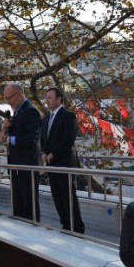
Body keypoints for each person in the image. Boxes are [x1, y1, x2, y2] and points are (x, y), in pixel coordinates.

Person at [40, 87, 85, 233]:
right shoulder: (46, 118)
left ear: (59, 99)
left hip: (64, 162)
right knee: (57, 195)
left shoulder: (68, 116)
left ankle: (77, 228)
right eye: (46, 98)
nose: (47, 100)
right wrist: (43, 152)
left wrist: (53, 153)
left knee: (68, 196)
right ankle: (65, 225)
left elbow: (68, 139)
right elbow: (43, 138)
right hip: (51, 163)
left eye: (50, 97)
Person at [0, 84, 41, 221]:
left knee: (29, 203)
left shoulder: (31, 111)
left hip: (27, 165)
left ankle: (33, 231)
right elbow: (15, 137)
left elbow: (31, 140)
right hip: (16, 164)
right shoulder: (17, 112)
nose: (8, 102)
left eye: (9, 98)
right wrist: (6, 130)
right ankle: (20, 228)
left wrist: (9, 139)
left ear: (19, 94)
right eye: (5, 99)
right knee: (18, 203)